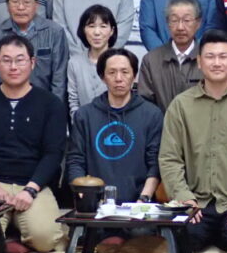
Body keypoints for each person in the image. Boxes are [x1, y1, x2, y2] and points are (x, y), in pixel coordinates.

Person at [158, 29, 227, 253]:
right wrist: (183, 197)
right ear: (199, 62)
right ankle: (213, 232)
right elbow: (169, 159)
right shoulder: (181, 105)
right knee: (184, 243)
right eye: (210, 57)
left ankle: (223, 231)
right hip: (196, 200)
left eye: (223, 56)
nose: (216, 63)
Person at [0, 35, 66, 252]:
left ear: (32, 63)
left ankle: (16, 225)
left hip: (32, 186)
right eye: (6, 60)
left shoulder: (51, 104)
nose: (13, 67)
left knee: (45, 240)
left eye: (20, 60)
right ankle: (9, 227)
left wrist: (30, 190)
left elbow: (53, 154)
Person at [68, 48, 164, 204]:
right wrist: (85, 197)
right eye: (111, 72)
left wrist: (143, 199)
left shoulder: (152, 114)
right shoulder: (85, 115)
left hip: (139, 205)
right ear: (102, 77)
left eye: (125, 72)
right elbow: (76, 161)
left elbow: (155, 163)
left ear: (135, 75)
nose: (119, 78)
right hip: (95, 203)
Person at [0, 0, 68, 102]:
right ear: (7, 5)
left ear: (37, 4)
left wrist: (54, 108)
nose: (21, 7)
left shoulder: (55, 32)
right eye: (15, 2)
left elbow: (59, 79)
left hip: (44, 103)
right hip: (6, 103)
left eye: (27, 2)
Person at [138, 0, 204, 112]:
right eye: (174, 20)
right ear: (167, 23)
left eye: (187, 20)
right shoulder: (151, 60)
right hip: (162, 128)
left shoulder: (207, 59)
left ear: (198, 23)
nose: (180, 27)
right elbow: (145, 105)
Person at [66, 4, 117, 118]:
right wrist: (80, 126)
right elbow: (73, 101)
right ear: (83, 30)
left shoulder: (120, 61)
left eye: (103, 26)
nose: (97, 32)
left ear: (112, 30)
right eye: (91, 26)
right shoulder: (74, 63)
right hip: (84, 128)